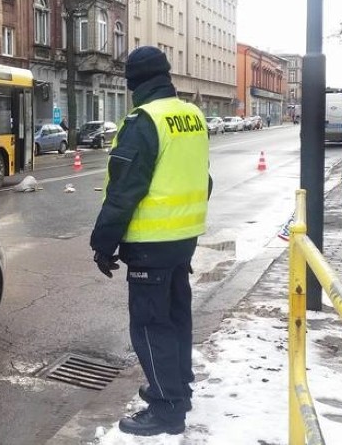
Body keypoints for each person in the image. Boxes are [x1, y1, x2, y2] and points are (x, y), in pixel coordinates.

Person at [89, 46, 212, 436]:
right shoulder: (192, 116)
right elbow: (203, 178)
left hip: (151, 243)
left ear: (133, 83)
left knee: (149, 325)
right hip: (184, 238)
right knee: (176, 318)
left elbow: (124, 190)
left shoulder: (144, 121)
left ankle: (167, 407)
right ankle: (179, 389)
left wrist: (103, 243)